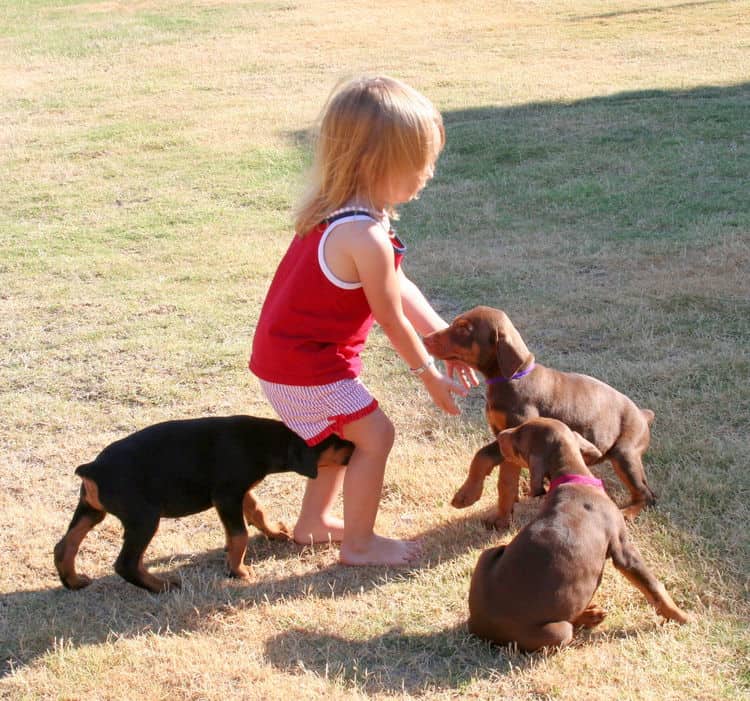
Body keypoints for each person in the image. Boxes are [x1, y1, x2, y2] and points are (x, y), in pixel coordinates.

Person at [249, 75, 478, 566]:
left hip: (289, 359)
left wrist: (447, 343)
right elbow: (391, 318)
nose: (429, 174)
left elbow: (400, 286)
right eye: (421, 163)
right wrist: (429, 376)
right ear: (377, 163)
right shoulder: (363, 234)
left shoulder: (347, 212)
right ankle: (359, 544)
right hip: (304, 366)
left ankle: (314, 524)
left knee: (341, 436)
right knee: (376, 435)